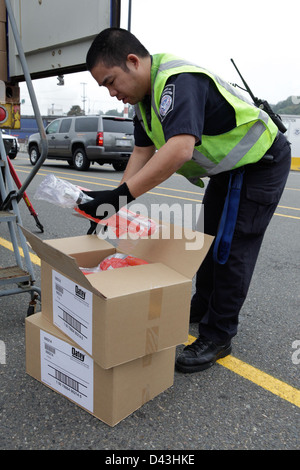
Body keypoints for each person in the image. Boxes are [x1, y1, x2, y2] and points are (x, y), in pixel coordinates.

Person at [79, 27, 291, 373]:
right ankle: (204, 305)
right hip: (230, 169)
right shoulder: (143, 103)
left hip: (259, 164)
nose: (112, 92)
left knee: (230, 248)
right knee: (207, 242)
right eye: (105, 86)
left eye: (111, 81)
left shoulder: (177, 82)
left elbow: (179, 149)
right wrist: (112, 204)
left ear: (133, 61)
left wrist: (120, 196)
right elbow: (142, 152)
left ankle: (219, 334)